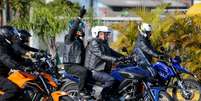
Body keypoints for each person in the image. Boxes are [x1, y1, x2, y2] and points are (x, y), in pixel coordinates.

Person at [85, 26, 123, 100]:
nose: (106, 35)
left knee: (118, 79)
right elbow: (101, 55)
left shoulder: (104, 43)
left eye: (106, 34)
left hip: (101, 69)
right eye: (103, 34)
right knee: (111, 79)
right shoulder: (94, 42)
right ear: (97, 34)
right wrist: (114, 60)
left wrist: (124, 57)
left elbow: (112, 52)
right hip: (94, 70)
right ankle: (102, 97)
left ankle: (112, 97)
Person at [63, 6, 88, 93]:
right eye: (79, 29)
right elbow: (73, 29)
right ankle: (81, 92)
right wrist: (80, 16)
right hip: (70, 65)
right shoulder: (69, 38)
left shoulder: (79, 41)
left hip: (78, 64)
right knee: (84, 71)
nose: (81, 30)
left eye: (82, 28)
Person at [0, 26, 26, 101]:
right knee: (12, 89)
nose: (14, 36)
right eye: (12, 34)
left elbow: (15, 57)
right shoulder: (1, 46)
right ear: (6, 34)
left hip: (4, 74)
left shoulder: (6, 45)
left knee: (21, 87)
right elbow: (6, 59)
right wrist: (20, 67)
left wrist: (28, 63)